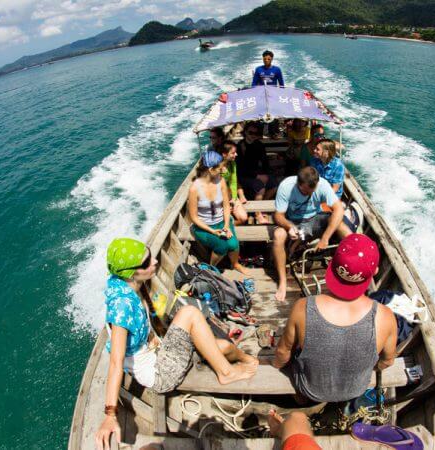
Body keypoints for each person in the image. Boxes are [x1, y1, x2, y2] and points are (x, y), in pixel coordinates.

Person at [95, 238, 258, 450]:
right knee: (189, 313)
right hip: (159, 373)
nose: (154, 262)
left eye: (151, 256)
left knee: (224, 347)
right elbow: (115, 363)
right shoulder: (122, 307)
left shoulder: (125, 282)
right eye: (146, 263)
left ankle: (245, 359)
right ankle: (226, 372)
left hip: (160, 351)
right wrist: (110, 414)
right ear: (130, 273)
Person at [272, 234, 397, 403]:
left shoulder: (303, 307)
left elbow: (282, 352)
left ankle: (300, 399)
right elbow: (387, 361)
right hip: (355, 390)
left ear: (332, 266)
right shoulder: (385, 316)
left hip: (309, 390)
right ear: (374, 272)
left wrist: (277, 368)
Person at [273, 167, 352, 302]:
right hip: (292, 221)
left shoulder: (323, 184)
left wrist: (325, 238)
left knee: (338, 222)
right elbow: (278, 216)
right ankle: (282, 282)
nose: (309, 194)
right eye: (305, 191)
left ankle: (358, 256)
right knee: (278, 236)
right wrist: (289, 226)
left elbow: (339, 209)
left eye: (312, 191)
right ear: (298, 184)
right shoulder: (286, 186)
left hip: (314, 219)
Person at [188, 151, 248, 274]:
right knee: (222, 246)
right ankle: (212, 268)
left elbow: (226, 206)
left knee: (233, 244)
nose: (224, 170)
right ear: (211, 169)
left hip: (222, 222)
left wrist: (226, 226)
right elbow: (194, 218)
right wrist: (212, 231)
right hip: (203, 227)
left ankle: (235, 264)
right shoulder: (194, 188)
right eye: (220, 168)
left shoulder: (220, 182)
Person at [236, 122, 278, 223]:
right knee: (261, 187)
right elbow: (240, 168)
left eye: (256, 133)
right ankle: (257, 214)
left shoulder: (259, 145)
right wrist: (258, 176)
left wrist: (267, 175)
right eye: (250, 133)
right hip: (244, 175)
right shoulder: (240, 146)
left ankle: (262, 203)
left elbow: (265, 162)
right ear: (245, 132)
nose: (253, 135)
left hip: (257, 173)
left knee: (275, 185)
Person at [219, 140, 248, 224]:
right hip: (220, 199)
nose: (236, 154)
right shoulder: (217, 168)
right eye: (233, 153)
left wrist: (234, 198)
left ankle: (228, 225)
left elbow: (233, 182)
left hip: (231, 195)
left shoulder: (232, 163)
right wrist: (225, 202)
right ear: (224, 154)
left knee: (243, 218)